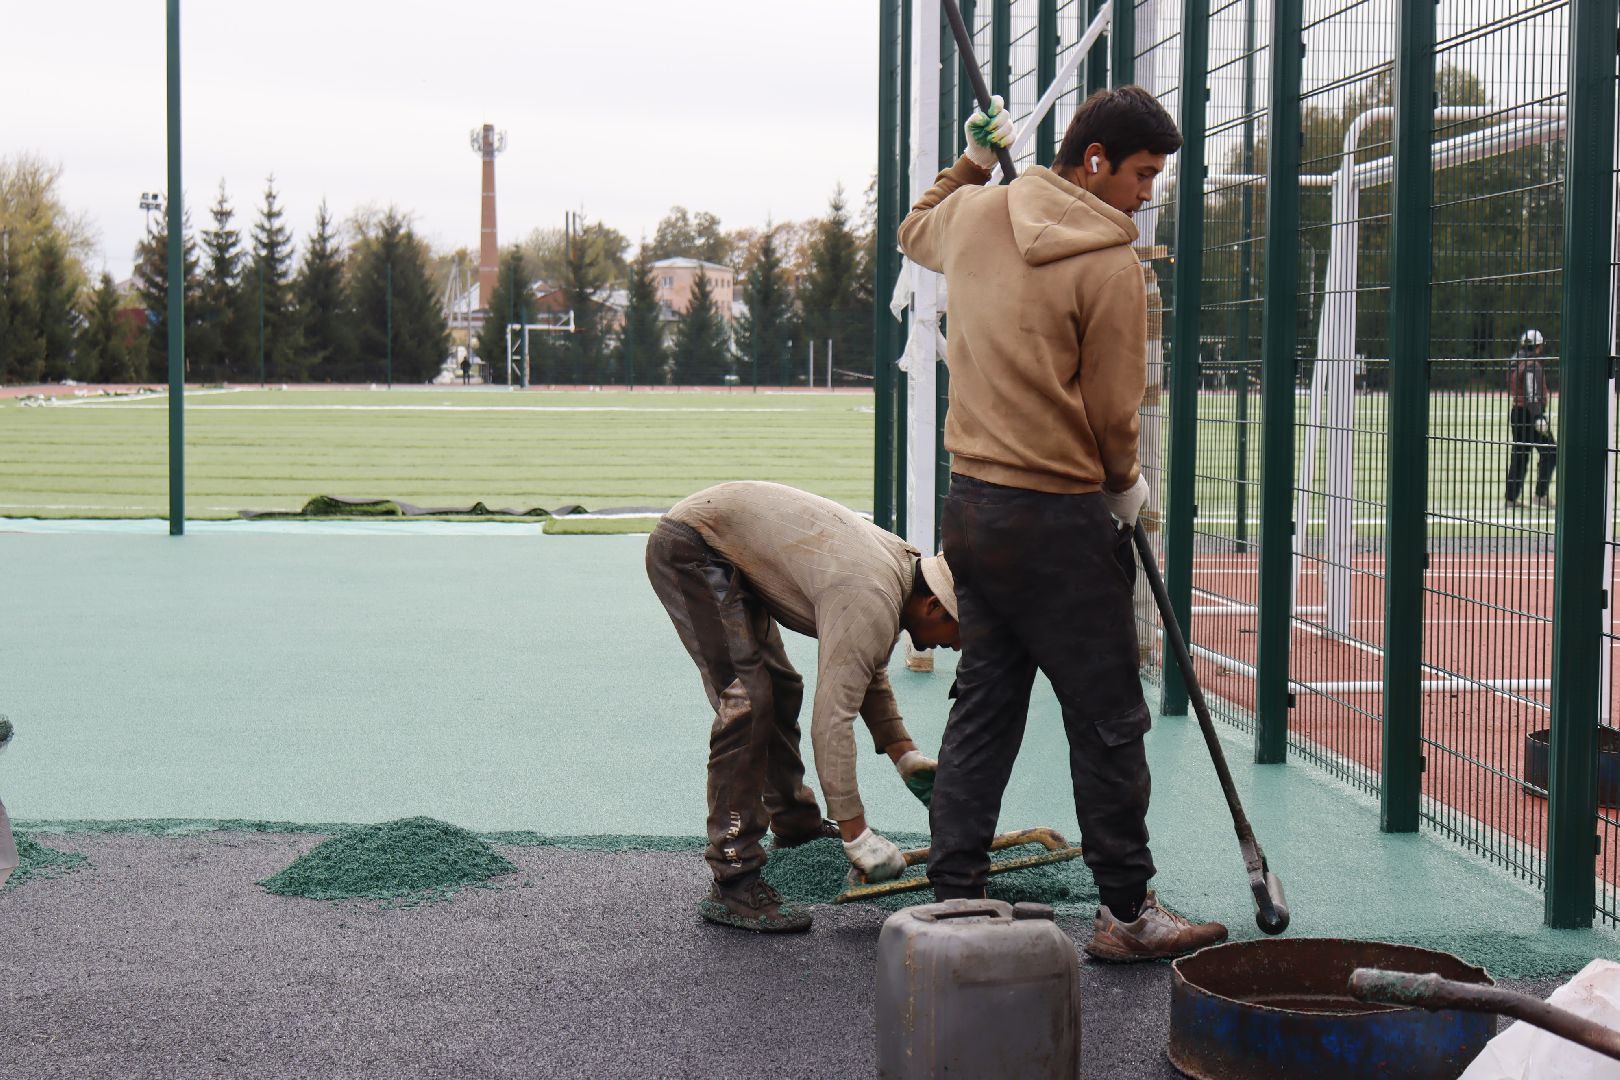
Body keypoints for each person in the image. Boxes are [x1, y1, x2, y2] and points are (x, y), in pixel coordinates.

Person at [898, 86, 1228, 961]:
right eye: (1143, 174)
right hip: (1062, 519)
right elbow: (1114, 411)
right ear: (1095, 162)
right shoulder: (1113, 267)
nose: (1148, 193)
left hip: (973, 509)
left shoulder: (974, 215)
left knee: (985, 707)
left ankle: (954, 900)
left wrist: (974, 158)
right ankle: (1126, 911)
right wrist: (1125, 488)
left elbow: (913, 226)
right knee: (1109, 719)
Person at [645, 480, 959, 933]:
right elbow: (832, 724)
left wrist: (904, 754)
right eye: (959, 633)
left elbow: (864, 666)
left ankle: (794, 825)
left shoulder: (903, 571)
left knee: (781, 687)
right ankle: (733, 878)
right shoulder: (870, 592)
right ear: (933, 605)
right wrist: (857, 834)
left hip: (726, 542)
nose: (957, 646)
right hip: (693, 548)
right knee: (746, 703)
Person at [1505, 328, 1556, 509]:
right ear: (1539, 346)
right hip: (1529, 414)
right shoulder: (1532, 365)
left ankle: (1510, 499)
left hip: (1516, 412)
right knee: (1550, 451)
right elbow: (1531, 392)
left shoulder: (1515, 360)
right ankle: (1540, 495)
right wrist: (1538, 416)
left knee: (1520, 455)